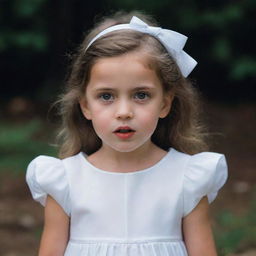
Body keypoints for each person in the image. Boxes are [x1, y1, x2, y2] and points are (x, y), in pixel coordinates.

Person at [26, 10, 228, 256]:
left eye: (141, 95)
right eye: (106, 96)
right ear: (86, 105)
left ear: (165, 103)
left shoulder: (189, 178)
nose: (123, 112)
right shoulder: (64, 181)